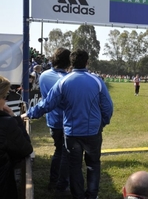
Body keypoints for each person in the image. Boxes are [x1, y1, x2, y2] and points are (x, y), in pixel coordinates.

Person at [24, 49, 114, 199]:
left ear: (71, 63)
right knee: (93, 165)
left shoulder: (63, 82)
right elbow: (108, 107)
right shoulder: (97, 80)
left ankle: (78, 195)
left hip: (72, 133)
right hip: (92, 132)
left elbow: (47, 104)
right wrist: (102, 123)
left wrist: (29, 114)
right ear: (87, 62)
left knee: (74, 166)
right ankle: (92, 195)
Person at [38, 47, 71, 192]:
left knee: (59, 151)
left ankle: (54, 181)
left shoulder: (43, 75)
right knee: (65, 153)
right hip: (67, 121)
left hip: (52, 121)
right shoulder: (67, 79)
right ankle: (60, 184)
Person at [0, 76, 33, 198]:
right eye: (5, 97)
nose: (6, 101)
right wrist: (15, 118)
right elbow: (26, 149)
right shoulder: (6, 123)